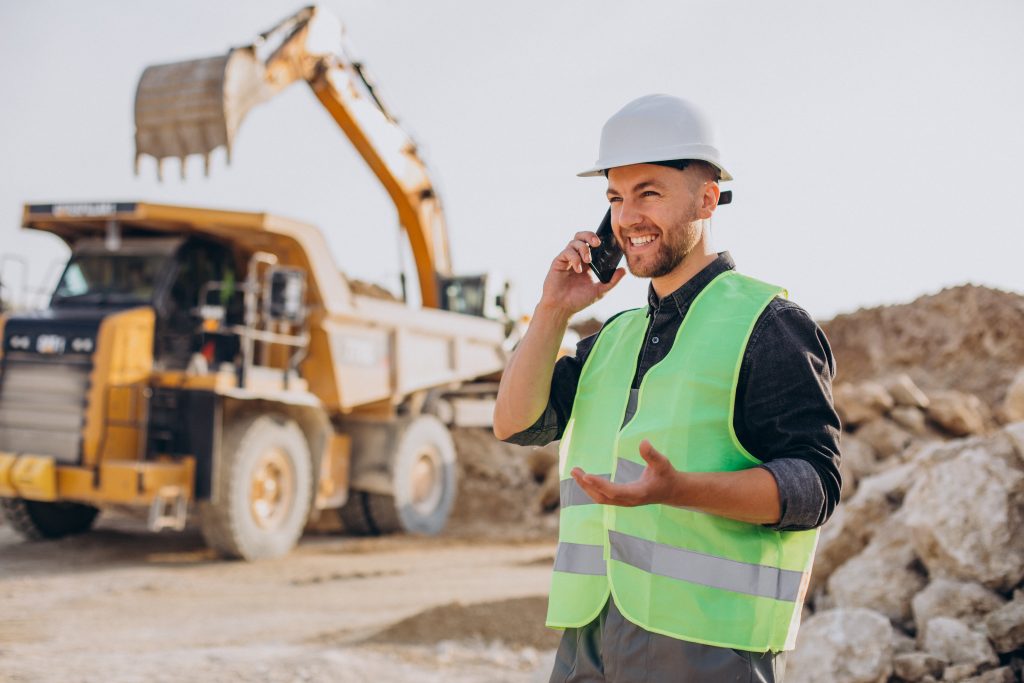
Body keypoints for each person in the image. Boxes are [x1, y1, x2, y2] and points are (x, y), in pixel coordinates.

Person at [492, 94, 841, 682]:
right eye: (615, 198)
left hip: (705, 648)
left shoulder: (769, 324)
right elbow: (516, 422)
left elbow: (815, 488)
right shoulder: (615, 336)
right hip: (591, 636)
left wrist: (680, 490)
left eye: (648, 192)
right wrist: (552, 309)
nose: (628, 217)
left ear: (707, 199)